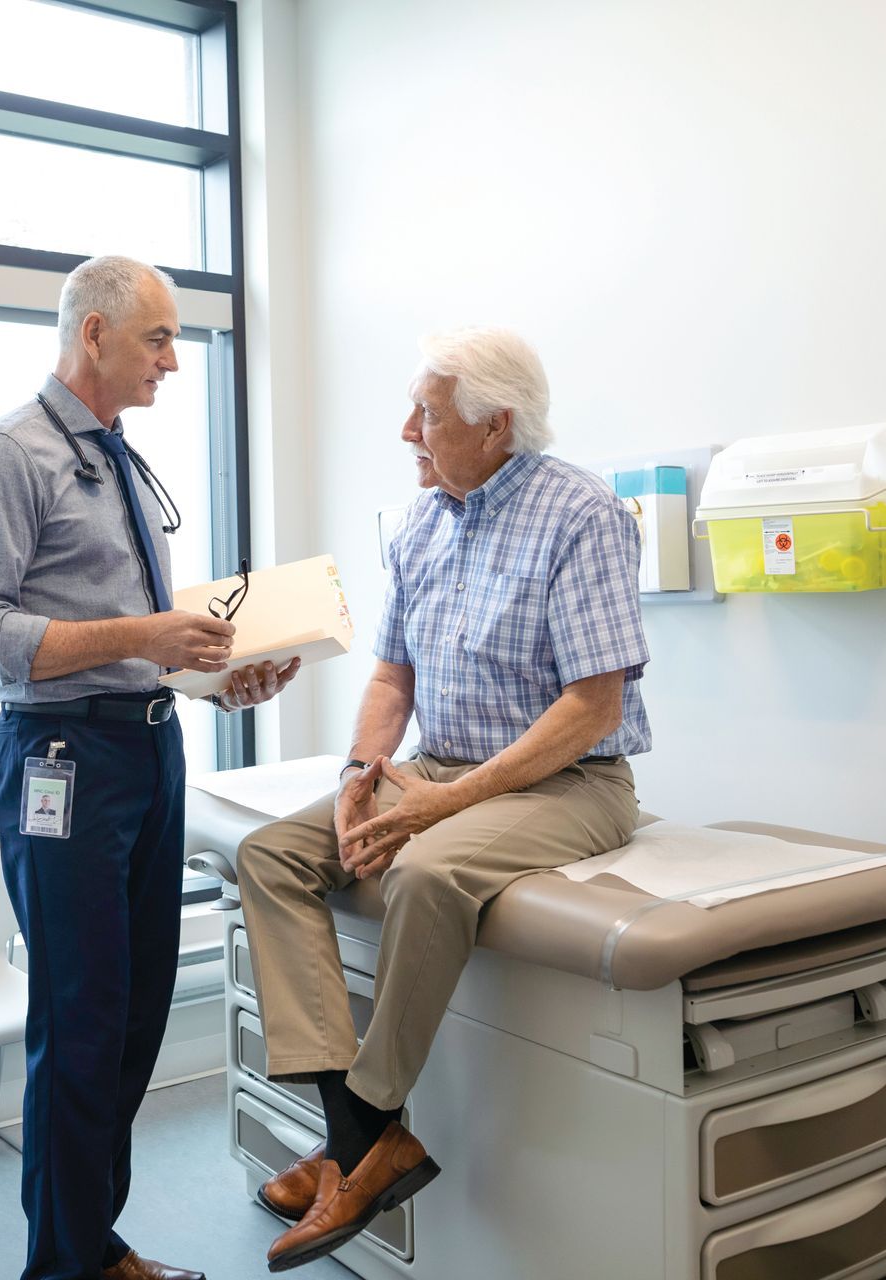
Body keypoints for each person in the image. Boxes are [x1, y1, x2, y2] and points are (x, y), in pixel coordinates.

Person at [235, 327, 651, 1272]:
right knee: (272, 855)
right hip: (439, 762)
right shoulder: (426, 518)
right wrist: (359, 778)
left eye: (426, 412)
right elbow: (392, 677)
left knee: (426, 870)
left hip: (571, 780)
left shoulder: (581, 514)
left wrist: (441, 803)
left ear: (496, 423)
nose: (405, 430)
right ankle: (359, 1136)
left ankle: (365, 1129)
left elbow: (593, 707)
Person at [0, 255, 298, 1280]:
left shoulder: (116, 454)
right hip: (64, 763)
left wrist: (216, 677)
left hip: (148, 744)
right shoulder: (9, 455)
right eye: (157, 338)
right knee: (83, 1016)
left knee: (138, 1014)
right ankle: (65, 1264)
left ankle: (94, 1241)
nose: (174, 361)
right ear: (92, 334)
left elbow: (126, 636)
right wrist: (146, 630)